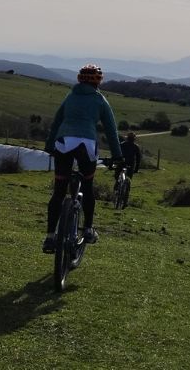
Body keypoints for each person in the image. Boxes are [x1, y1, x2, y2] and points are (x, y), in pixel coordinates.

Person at [42, 64, 122, 253]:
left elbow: (57, 121)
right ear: (98, 82)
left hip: (63, 142)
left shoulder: (70, 96)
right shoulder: (100, 100)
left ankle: (50, 237)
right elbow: (111, 129)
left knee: (59, 191)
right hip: (87, 144)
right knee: (87, 185)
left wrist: (49, 145)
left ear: (79, 79)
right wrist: (117, 155)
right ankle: (88, 229)